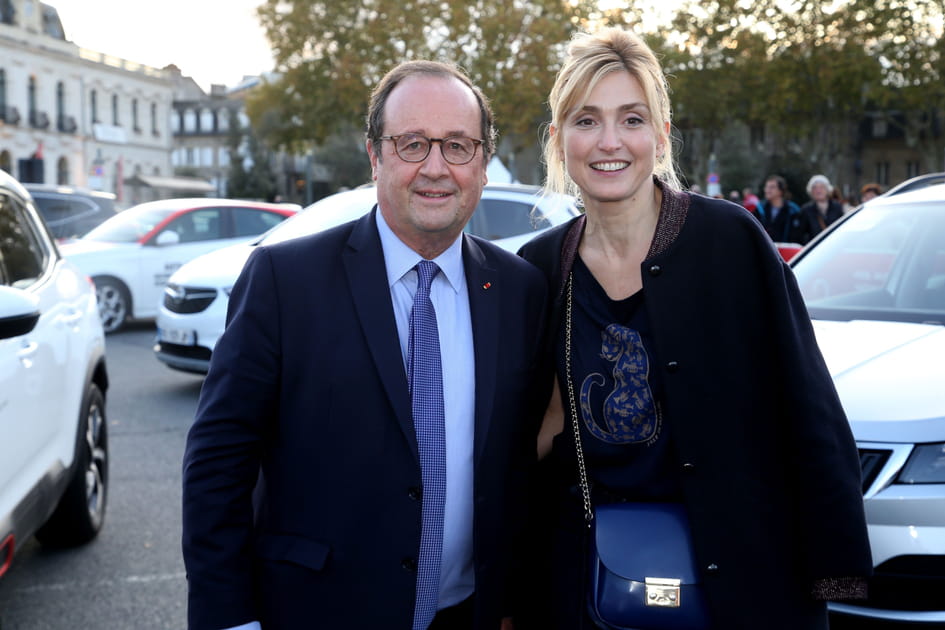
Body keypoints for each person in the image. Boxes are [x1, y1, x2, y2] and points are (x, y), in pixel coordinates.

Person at [517, 27, 872, 629]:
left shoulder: (731, 243)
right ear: (558, 140)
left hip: (744, 579)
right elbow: (521, 449)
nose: (610, 141)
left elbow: (808, 409)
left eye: (631, 119)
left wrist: (827, 576)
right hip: (586, 588)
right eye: (586, 120)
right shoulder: (539, 268)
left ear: (659, 135)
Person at [182, 60, 548, 630]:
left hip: (470, 614)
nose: (435, 167)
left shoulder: (520, 289)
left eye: (457, 145)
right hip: (316, 612)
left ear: (482, 162)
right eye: (412, 144)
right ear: (375, 155)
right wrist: (230, 618)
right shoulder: (284, 280)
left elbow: (519, 465)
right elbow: (218, 464)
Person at [756, 174, 813, 243]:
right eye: (766, 187)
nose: (767, 190)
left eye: (772, 187)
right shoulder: (759, 208)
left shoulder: (793, 210)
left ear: (780, 191)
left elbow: (798, 236)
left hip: (786, 251)